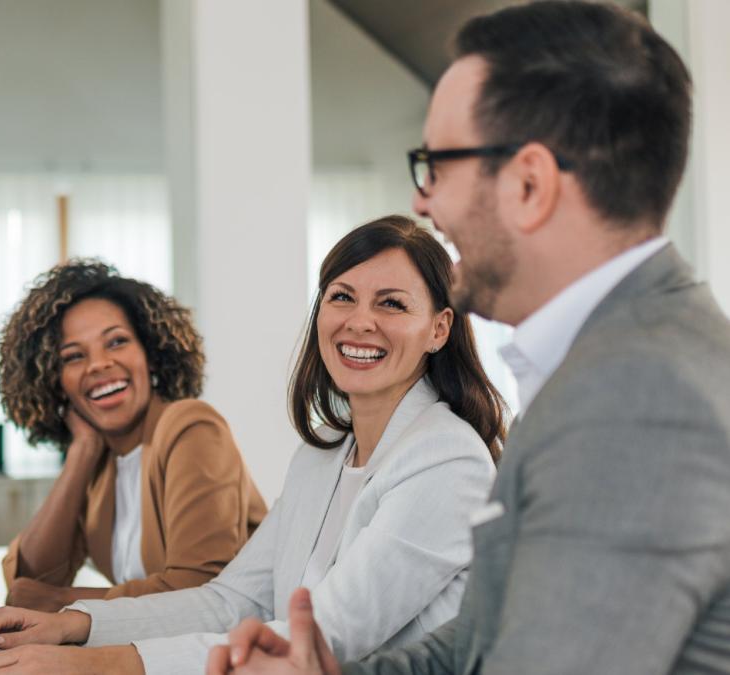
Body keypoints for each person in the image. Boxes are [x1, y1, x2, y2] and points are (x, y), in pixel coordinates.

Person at [212, 3, 730, 674]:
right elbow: (486, 635)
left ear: (529, 184)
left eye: (438, 165)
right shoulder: (611, 355)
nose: (425, 202)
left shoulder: (636, 391)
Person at [0, 216, 506, 674]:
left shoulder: (445, 460)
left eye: (391, 304)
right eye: (342, 297)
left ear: (439, 329)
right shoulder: (323, 454)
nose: (360, 322)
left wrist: (89, 666)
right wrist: (74, 625)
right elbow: (233, 601)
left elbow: (325, 640)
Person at [0, 260, 267, 612]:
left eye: (117, 342)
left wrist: (65, 601)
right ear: (55, 382)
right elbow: (29, 582)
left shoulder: (191, 428)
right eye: (74, 356)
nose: (98, 364)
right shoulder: (101, 462)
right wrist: (82, 453)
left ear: (150, 354)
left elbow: (199, 590)